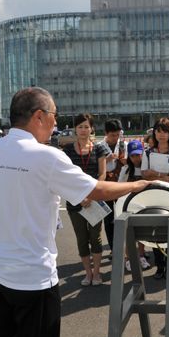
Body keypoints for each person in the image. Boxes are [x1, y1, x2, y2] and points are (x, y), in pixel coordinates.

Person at [0, 87, 150, 337]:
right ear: (38, 116)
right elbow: (98, 189)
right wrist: (137, 185)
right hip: (31, 275)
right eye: (53, 114)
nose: (56, 122)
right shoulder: (47, 156)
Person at [62, 114, 107, 287]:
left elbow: (102, 175)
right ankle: (87, 274)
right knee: (81, 238)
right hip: (75, 202)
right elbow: (65, 178)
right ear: (75, 129)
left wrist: (92, 195)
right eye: (80, 126)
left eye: (86, 126)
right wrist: (80, 197)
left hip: (95, 200)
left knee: (95, 237)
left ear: (92, 129)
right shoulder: (68, 150)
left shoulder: (99, 149)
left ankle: (96, 273)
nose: (83, 130)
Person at [141, 117, 169, 278]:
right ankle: (160, 266)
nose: (161, 134)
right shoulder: (148, 152)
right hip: (153, 194)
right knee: (155, 230)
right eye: (158, 131)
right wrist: (162, 175)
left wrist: (156, 175)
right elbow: (144, 173)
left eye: (165, 131)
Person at [119, 139, 151, 271]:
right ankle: (129, 258)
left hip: (145, 205)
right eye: (133, 155)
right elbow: (119, 186)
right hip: (130, 205)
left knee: (142, 233)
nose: (136, 158)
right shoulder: (126, 169)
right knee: (130, 234)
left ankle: (142, 255)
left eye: (138, 155)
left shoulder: (147, 169)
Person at [100, 119, 127, 254]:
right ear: (106, 133)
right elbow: (96, 166)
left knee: (124, 215)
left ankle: (126, 248)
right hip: (107, 186)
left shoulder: (124, 145)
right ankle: (113, 249)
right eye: (112, 135)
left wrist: (126, 161)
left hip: (122, 184)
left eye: (117, 134)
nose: (115, 138)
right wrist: (106, 159)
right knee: (109, 219)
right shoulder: (99, 146)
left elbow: (132, 163)